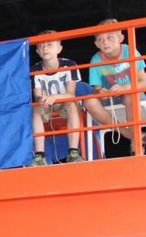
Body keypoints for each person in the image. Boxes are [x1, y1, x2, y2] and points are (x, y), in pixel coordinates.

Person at [89, 18, 146, 152]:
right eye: (101, 39)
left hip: (133, 95)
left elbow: (144, 82)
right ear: (96, 43)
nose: (105, 42)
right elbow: (97, 89)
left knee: (129, 94)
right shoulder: (95, 60)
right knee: (90, 101)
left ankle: (136, 145)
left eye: (110, 37)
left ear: (120, 38)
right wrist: (101, 93)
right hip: (111, 99)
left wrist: (124, 88)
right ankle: (133, 136)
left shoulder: (130, 51)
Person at [30, 32, 84, 165]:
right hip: (47, 104)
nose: (45, 48)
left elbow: (71, 94)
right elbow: (37, 95)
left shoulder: (69, 64)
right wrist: (42, 100)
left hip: (64, 102)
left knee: (71, 104)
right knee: (35, 110)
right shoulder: (35, 69)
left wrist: (54, 97)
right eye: (41, 46)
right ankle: (39, 156)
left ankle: (73, 152)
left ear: (59, 48)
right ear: (37, 51)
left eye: (49, 44)